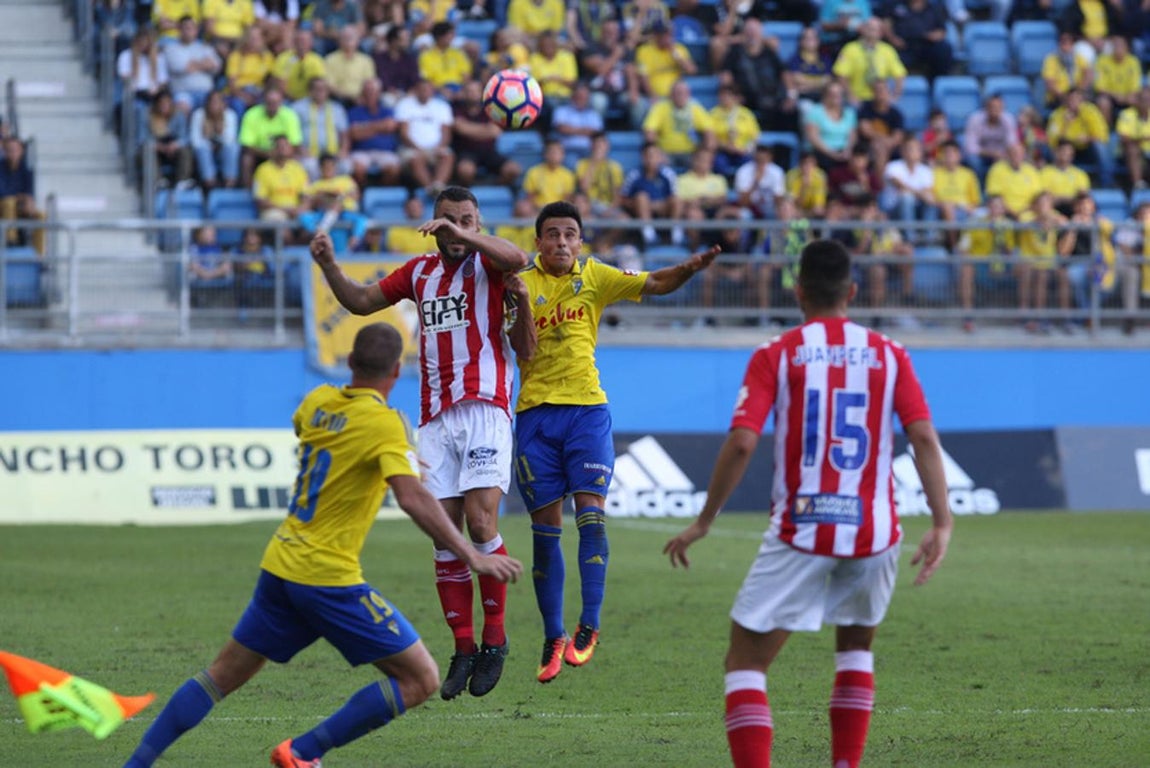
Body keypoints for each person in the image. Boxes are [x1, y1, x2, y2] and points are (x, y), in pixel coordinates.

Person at [121, 323, 523, 768]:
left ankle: (135, 765)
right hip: (328, 579)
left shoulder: (316, 402)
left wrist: (396, 457)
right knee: (419, 679)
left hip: (281, 565)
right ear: (396, 370)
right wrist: (470, 554)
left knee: (218, 678)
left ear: (350, 361)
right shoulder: (386, 425)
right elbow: (410, 497)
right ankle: (302, 753)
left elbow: (325, 438)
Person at [663, 237, 953, 768]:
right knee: (855, 649)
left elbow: (744, 440)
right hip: (875, 531)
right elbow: (924, 439)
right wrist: (942, 522)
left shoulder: (777, 352)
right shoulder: (891, 354)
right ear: (853, 291)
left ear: (798, 291)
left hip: (803, 527)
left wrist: (705, 521)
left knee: (746, 661)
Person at [309, 186, 530, 701]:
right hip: (434, 418)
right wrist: (328, 266)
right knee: (442, 534)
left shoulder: (491, 267)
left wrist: (469, 236)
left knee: (480, 523)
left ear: (478, 221)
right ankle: (463, 646)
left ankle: (495, 641)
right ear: (432, 225)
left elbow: (519, 256)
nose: (457, 228)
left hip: (484, 407)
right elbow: (361, 302)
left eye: (468, 219)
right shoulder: (418, 274)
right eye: (448, 220)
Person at [510, 200, 719, 684]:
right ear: (538, 241)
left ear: (580, 242)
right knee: (546, 530)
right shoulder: (517, 283)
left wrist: (688, 268)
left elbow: (658, 282)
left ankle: (591, 623)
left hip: (587, 411)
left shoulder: (596, 276)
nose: (562, 242)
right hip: (535, 418)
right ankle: (553, 633)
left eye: (570, 234)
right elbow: (521, 348)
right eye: (553, 234)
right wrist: (519, 300)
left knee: (591, 514)